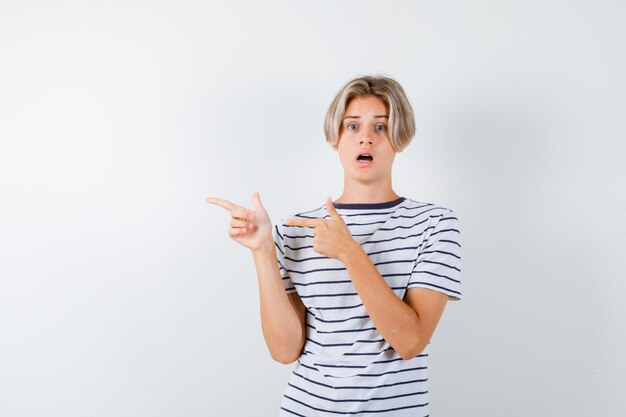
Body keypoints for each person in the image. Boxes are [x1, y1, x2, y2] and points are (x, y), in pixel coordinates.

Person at [206, 74, 462, 416]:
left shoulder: (434, 224)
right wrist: (263, 250)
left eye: (381, 127)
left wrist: (349, 253)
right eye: (353, 126)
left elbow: (411, 341)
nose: (366, 138)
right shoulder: (297, 230)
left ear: (399, 138)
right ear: (337, 138)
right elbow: (284, 350)